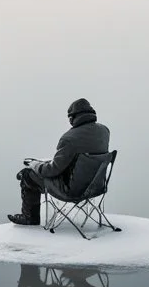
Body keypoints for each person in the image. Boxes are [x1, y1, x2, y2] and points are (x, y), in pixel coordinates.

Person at [8, 97, 110, 226]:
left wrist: (35, 165)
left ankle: (29, 217)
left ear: (74, 117)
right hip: (96, 187)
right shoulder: (104, 131)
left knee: (27, 174)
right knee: (39, 169)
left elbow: (52, 170)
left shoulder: (69, 138)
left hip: (72, 190)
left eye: (70, 118)